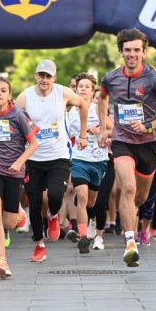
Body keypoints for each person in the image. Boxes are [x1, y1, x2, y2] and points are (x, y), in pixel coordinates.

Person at [98, 29, 156, 267]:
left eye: (136, 50)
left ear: (144, 52)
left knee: (140, 197)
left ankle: (129, 215)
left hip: (147, 145)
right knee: (128, 187)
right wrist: (105, 128)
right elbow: (102, 98)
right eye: (127, 50)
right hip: (122, 142)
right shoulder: (110, 78)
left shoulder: (154, 79)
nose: (132, 54)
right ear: (121, 52)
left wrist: (149, 125)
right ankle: (130, 242)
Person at [15, 59, 89, 262]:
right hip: (34, 157)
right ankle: (39, 244)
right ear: (36, 76)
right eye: (41, 75)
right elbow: (13, 118)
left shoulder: (63, 92)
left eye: (48, 76)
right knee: (36, 201)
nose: (44, 79)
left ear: (54, 78)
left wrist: (82, 134)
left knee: (56, 195)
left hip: (59, 155)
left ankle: (54, 215)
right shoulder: (25, 97)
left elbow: (83, 104)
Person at [0, 77, 38, 278]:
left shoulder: (18, 115)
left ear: (9, 95)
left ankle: (19, 214)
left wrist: (20, 162)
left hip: (14, 171)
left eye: (3, 90)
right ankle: (1, 260)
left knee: (9, 223)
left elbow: (34, 144)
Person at [66, 73, 111, 254]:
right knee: (82, 197)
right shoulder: (68, 112)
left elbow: (112, 128)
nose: (83, 89)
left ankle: (90, 223)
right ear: (75, 89)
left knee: (92, 201)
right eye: (80, 86)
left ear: (93, 92)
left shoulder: (97, 109)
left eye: (87, 87)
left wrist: (98, 130)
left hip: (98, 160)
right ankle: (83, 236)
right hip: (78, 159)